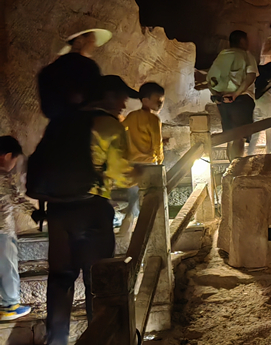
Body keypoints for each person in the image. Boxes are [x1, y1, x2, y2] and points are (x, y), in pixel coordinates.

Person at [28, 75, 139, 345]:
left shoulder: (61, 123)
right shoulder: (108, 126)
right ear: (106, 96)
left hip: (57, 211)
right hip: (91, 209)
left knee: (60, 280)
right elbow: (121, 174)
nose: (124, 103)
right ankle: (101, 339)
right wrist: (138, 175)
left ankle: (56, 341)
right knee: (97, 283)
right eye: (121, 96)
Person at [0, 136, 42, 321]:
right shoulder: (2, 176)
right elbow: (16, 198)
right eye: (15, 160)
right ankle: (10, 305)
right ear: (7, 156)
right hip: (1, 230)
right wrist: (36, 214)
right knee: (7, 267)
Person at [119, 82, 165, 234]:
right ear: (145, 100)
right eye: (158, 101)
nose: (160, 104)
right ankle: (140, 225)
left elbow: (121, 129)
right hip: (148, 164)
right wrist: (160, 161)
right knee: (147, 196)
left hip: (132, 163)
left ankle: (131, 222)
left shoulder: (132, 116)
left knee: (134, 193)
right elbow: (157, 143)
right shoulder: (154, 120)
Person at [37, 28, 112, 120]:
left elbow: (47, 110)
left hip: (55, 129)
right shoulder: (89, 68)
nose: (94, 46)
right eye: (91, 42)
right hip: (78, 127)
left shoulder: (49, 70)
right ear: (79, 40)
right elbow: (98, 100)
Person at [207, 30, 258, 160]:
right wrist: (235, 94)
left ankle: (230, 165)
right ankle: (236, 169)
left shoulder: (222, 55)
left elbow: (211, 78)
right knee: (239, 136)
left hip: (222, 99)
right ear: (242, 41)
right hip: (241, 99)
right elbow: (250, 77)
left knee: (230, 136)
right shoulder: (246, 55)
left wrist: (217, 95)